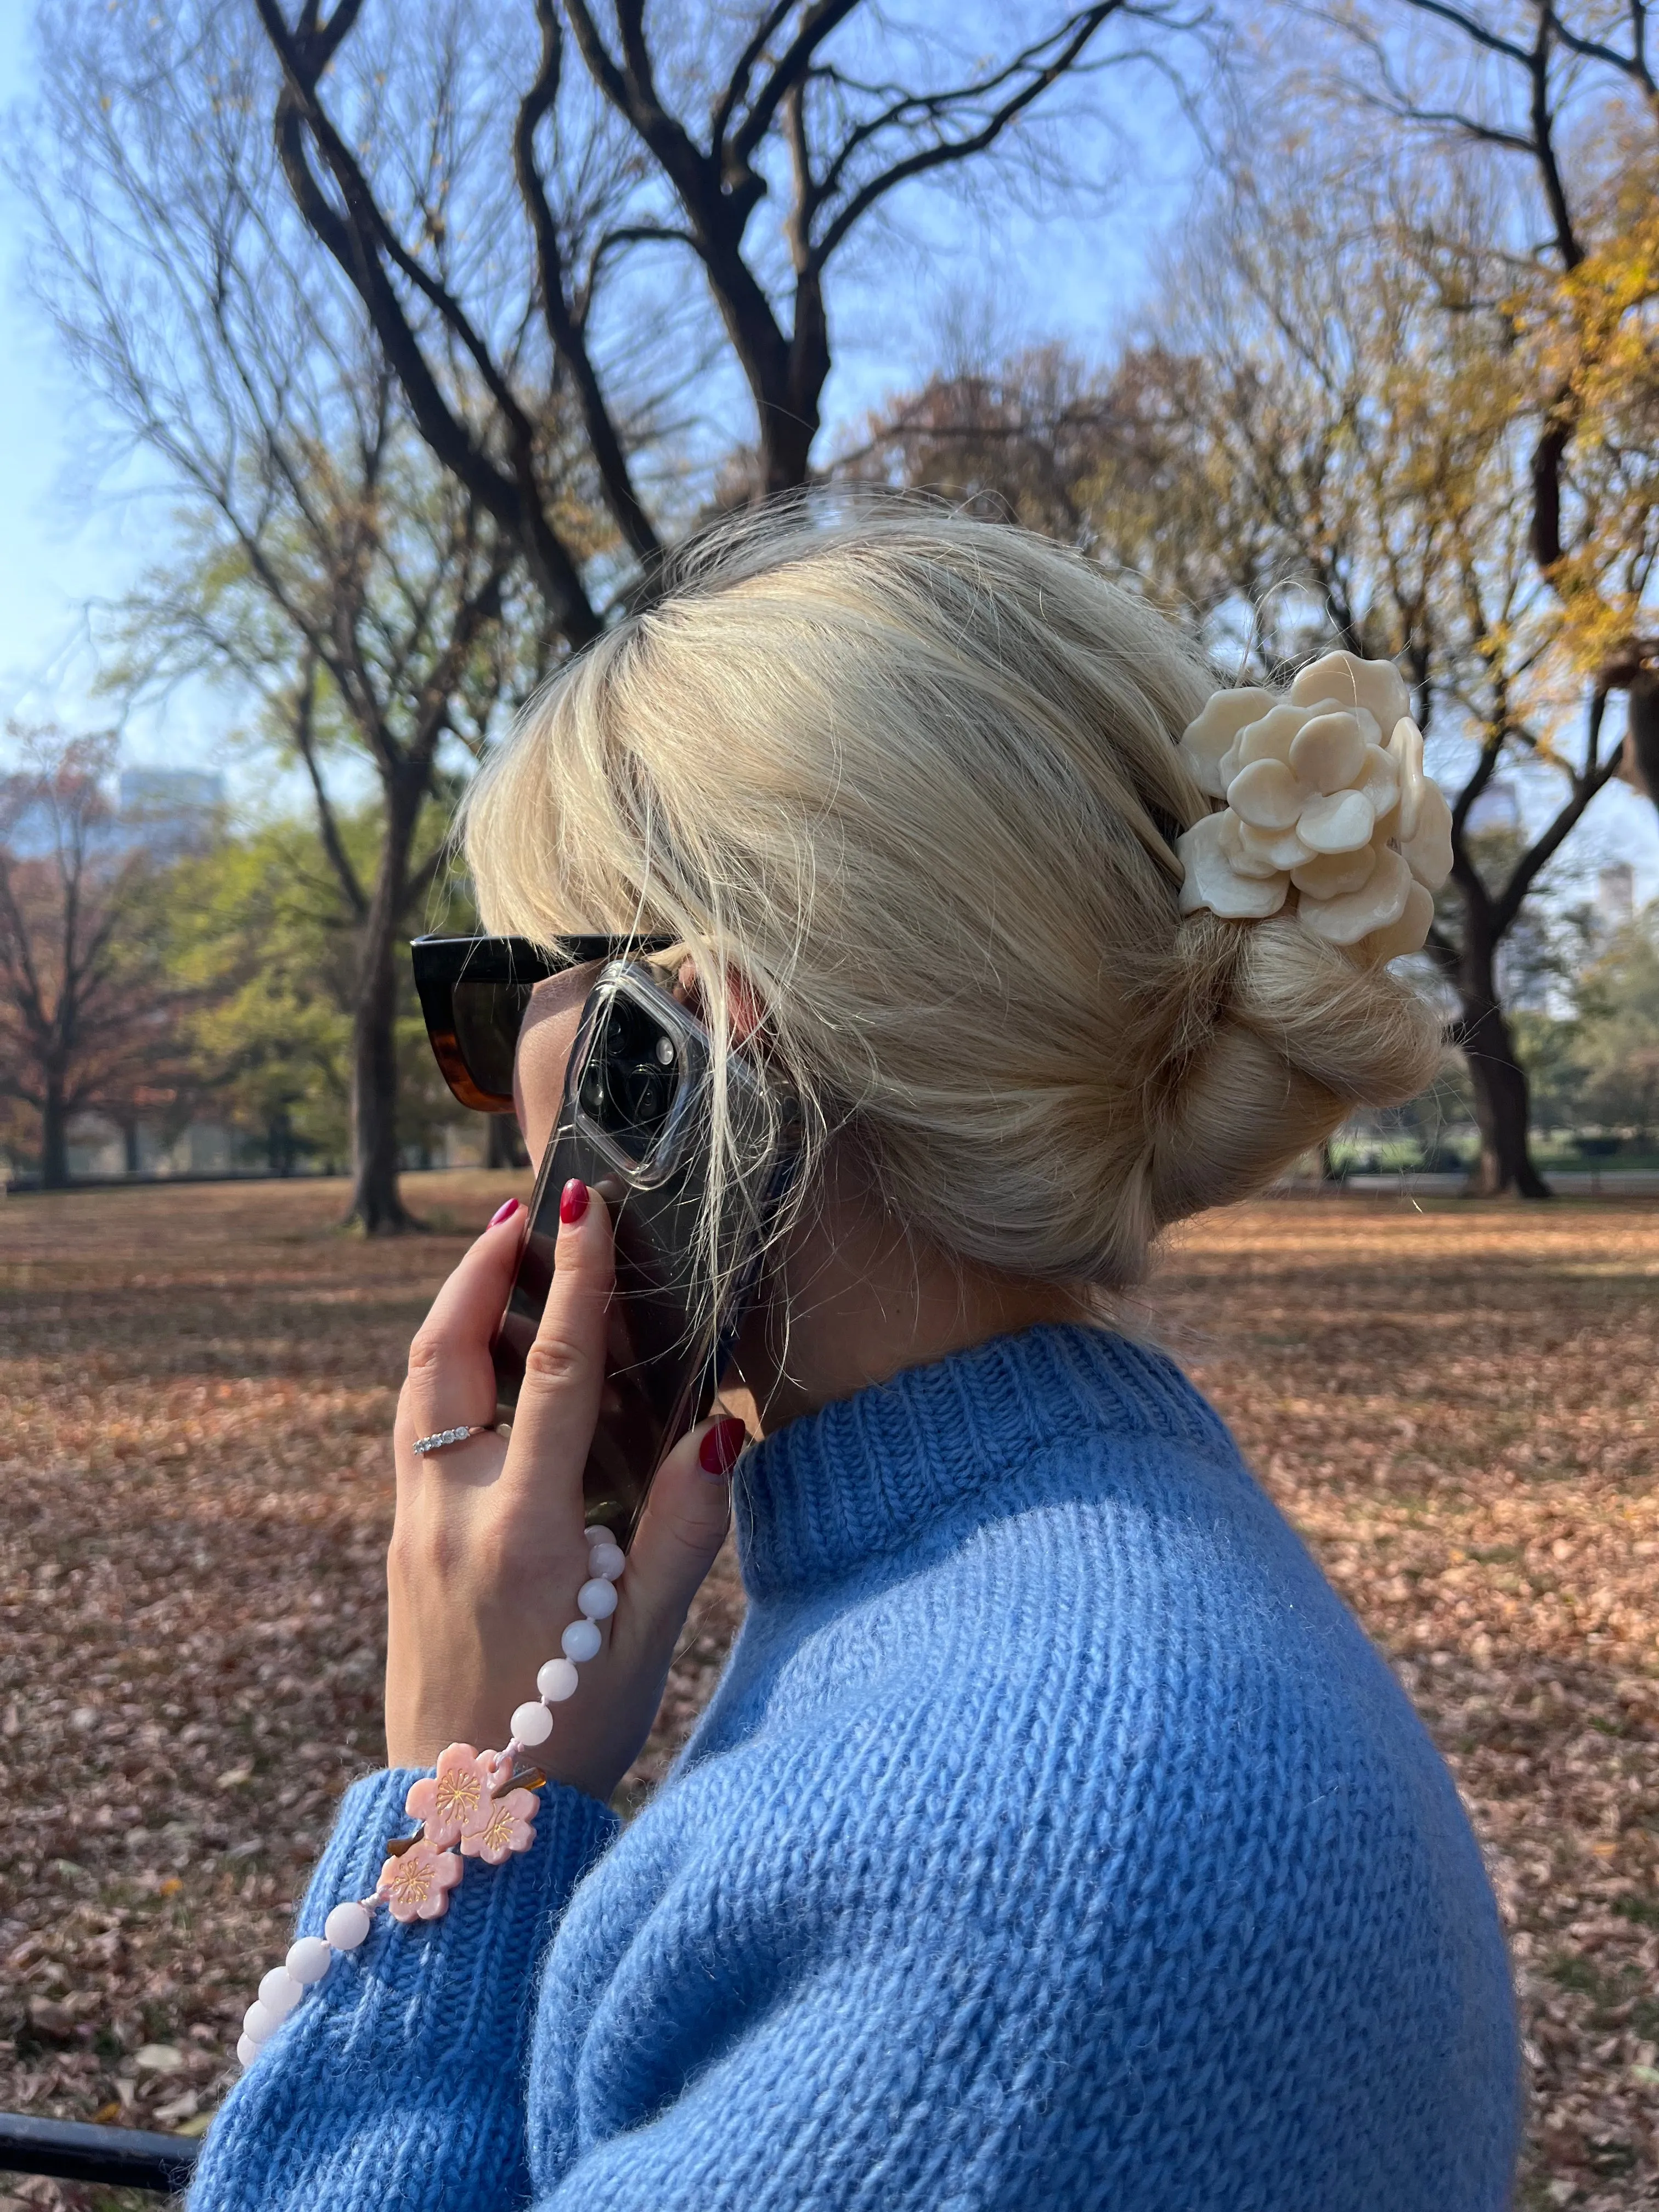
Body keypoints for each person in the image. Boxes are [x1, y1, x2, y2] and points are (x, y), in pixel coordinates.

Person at [190, 506, 1519, 2211]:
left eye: (489, 993)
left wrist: (446, 1802)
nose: (485, 1105)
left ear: (675, 1041)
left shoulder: (1022, 1885)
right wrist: (516, 1783)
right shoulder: (1030, 1624)